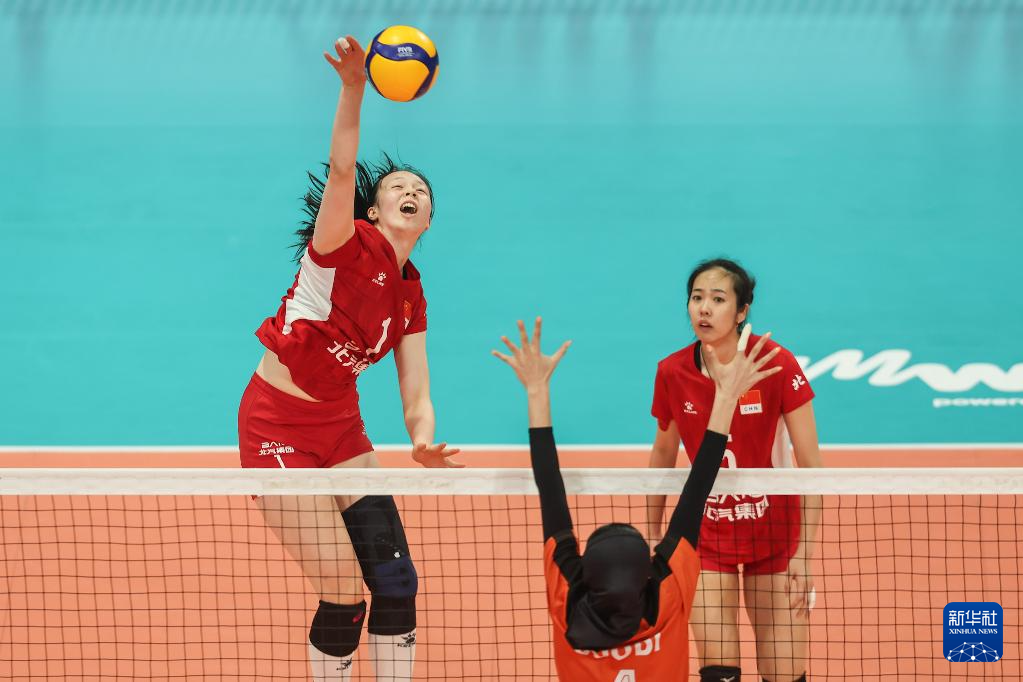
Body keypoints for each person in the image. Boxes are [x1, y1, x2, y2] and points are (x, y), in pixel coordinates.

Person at [237, 36, 461, 681]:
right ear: (374, 209)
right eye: (397, 186)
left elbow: (416, 391)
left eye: (421, 190)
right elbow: (341, 170)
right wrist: (354, 88)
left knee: (397, 582)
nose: (411, 191)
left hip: (341, 429)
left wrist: (423, 439)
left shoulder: (412, 294)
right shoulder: (340, 245)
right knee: (344, 593)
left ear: (427, 220)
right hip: (277, 427)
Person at [492, 317, 782, 680]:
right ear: (647, 576)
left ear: (584, 577)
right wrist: (725, 398)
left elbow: (549, 489)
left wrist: (536, 390)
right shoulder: (666, 597)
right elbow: (700, 485)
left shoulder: (569, 605)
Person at [646, 258, 822, 682]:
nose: (704, 309)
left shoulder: (777, 364)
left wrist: (804, 554)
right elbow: (663, 453)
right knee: (719, 673)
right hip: (706, 539)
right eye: (696, 298)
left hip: (775, 537)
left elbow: (811, 466)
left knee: (785, 673)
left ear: (742, 311)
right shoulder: (672, 372)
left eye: (718, 299)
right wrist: (654, 535)